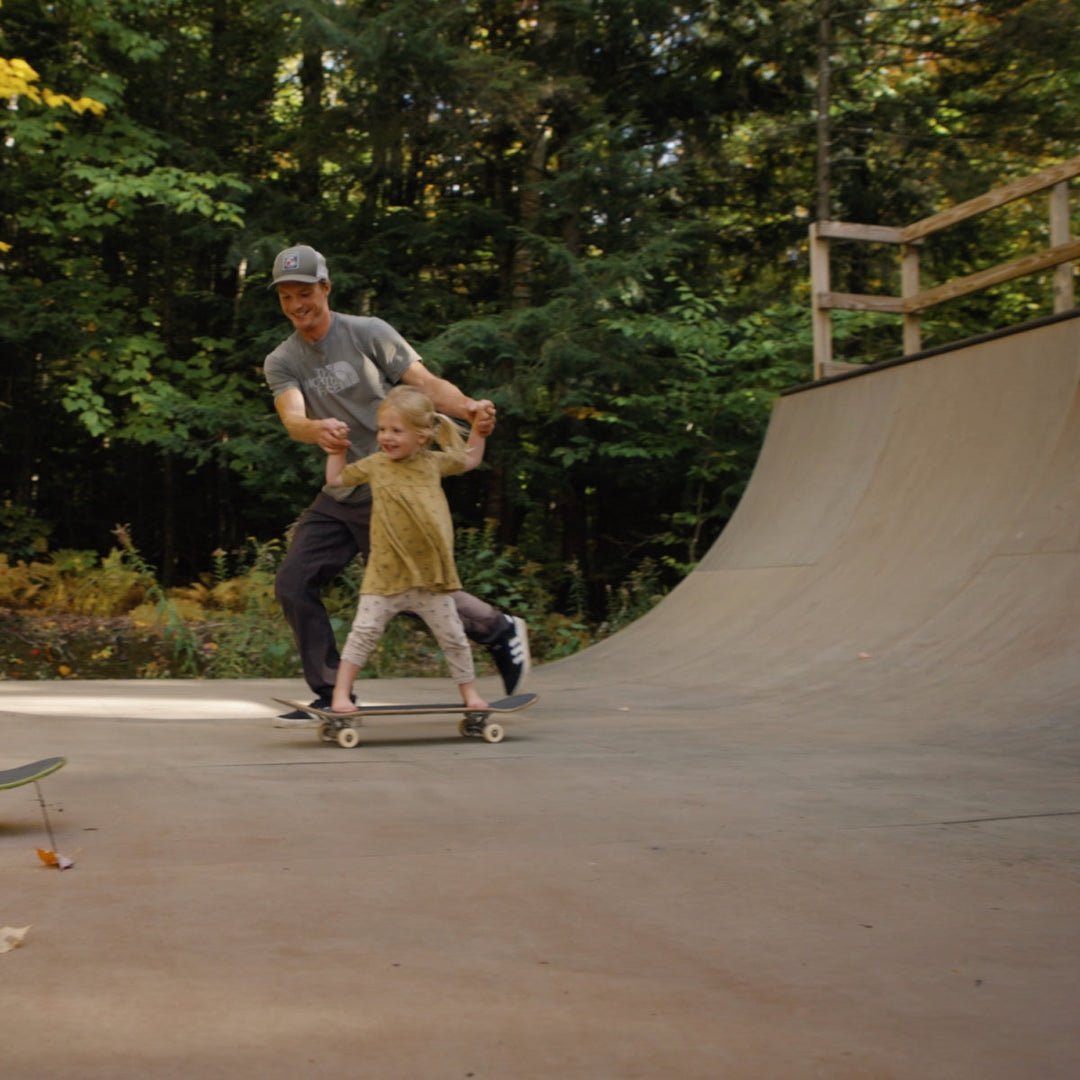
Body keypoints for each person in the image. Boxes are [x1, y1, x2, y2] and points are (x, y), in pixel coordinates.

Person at [263, 244, 529, 718]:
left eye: (305, 292)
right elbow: (293, 418)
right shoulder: (282, 360)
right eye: (286, 297)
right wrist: (315, 430)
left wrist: (468, 408)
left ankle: (498, 629)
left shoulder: (368, 333)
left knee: (410, 595)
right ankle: (330, 694)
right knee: (294, 581)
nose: (297, 305)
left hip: (395, 484)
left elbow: (425, 386)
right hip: (344, 484)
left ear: (326, 287)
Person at [326, 385, 488, 713]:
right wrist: (336, 450)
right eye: (382, 429)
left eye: (396, 431)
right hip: (387, 574)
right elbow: (337, 479)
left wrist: (479, 431)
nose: (386, 436)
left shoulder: (432, 464)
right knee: (364, 633)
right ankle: (340, 696)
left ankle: (471, 695)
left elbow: (470, 460)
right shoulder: (376, 464)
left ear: (422, 435)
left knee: (453, 637)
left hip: (430, 576)